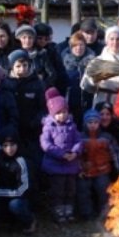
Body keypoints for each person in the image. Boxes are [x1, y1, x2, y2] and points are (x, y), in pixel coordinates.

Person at [41, 88, 83, 224]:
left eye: (64, 112)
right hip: (56, 165)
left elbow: (78, 140)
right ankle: (58, 210)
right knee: (57, 189)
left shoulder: (72, 126)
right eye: (58, 113)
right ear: (53, 114)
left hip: (71, 164)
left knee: (70, 188)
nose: (62, 115)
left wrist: (75, 152)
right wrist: (61, 154)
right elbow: (46, 144)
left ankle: (68, 209)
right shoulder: (49, 127)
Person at [77, 109, 119, 221]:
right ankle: (86, 214)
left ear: (99, 123)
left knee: (104, 191)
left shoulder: (106, 137)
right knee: (83, 192)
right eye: (90, 122)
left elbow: (116, 153)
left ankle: (104, 213)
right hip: (85, 171)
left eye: (95, 122)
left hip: (102, 170)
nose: (93, 125)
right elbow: (76, 155)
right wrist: (79, 168)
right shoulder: (80, 137)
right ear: (85, 123)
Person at [0, 137, 34, 234]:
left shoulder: (21, 161)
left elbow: (22, 190)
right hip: (2, 198)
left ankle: (30, 221)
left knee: (15, 205)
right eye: (5, 146)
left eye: (12, 145)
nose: (9, 148)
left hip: (20, 197)